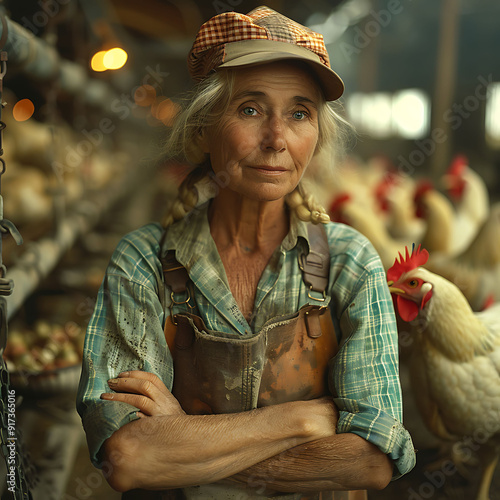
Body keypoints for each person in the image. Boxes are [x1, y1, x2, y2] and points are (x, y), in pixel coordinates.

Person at [76, 6, 416, 500]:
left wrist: (182, 439)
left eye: (300, 113)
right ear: (204, 128)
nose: (277, 139)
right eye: (250, 109)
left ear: (317, 135)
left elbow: (372, 461)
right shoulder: (143, 261)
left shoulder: (349, 262)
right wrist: (304, 418)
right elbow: (128, 457)